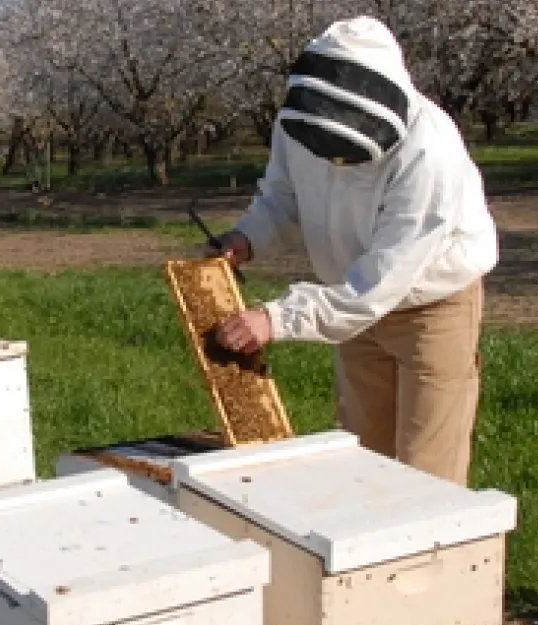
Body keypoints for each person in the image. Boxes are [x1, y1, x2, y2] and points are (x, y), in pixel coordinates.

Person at [205, 15, 499, 486]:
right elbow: (283, 196)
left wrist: (277, 317)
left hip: (430, 307)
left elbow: (378, 284)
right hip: (347, 299)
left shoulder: (429, 153)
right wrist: (247, 238)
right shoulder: (299, 122)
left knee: (429, 474)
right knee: (364, 462)